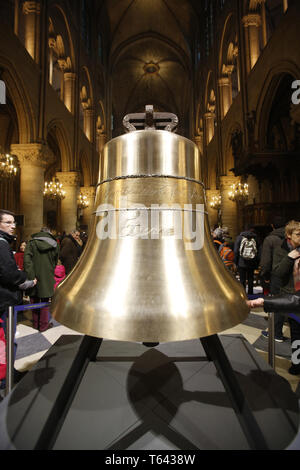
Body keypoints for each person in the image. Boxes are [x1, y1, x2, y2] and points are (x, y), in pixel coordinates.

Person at [0, 209, 37, 389]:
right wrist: (25, 279)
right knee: (6, 340)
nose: (13, 226)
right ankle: (5, 378)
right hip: (4, 302)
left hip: (4, 300)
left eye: (13, 222)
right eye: (8, 222)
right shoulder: (1, 245)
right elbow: (9, 274)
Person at [266, 220, 300, 375]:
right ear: (289, 235)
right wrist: (290, 257)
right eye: (298, 235)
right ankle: (297, 363)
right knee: (296, 333)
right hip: (292, 295)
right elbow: (278, 272)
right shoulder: (282, 249)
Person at [248, 292, 300, 375]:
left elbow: (296, 300)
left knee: (296, 336)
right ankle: (296, 365)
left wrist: (265, 301)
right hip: (292, 301)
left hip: (291, 298)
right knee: (296, 336)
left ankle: (296, 366)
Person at [24, 227, 59, 332]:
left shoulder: (31, 243)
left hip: (33, 275)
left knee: (34, 299)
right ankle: (43, 325)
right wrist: (50, 270)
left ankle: (35, 324)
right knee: (45, 301)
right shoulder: (54, 244)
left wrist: (31, 275)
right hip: (47, 275)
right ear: (49, 233)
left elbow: (27, 260)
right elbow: (55, 260)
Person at [259, 216, 287, 342]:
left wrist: (265, 276)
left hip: (276, 275)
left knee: (277, 303)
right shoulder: (291, 237)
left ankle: (276, 334)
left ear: (272, 226)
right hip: (292, 274)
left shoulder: (270, 239)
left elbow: (266, 261)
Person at [234, 225, 260, 295]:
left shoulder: (239, 238)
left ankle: (243, 294)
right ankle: (250, 294)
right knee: (250, 279)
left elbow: (236, 251)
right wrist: (257, 263)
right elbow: (258, 251)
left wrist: (235, 262)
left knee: (242, 279)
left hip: (241, 262)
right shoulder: (256, 238)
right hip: (252, 262)